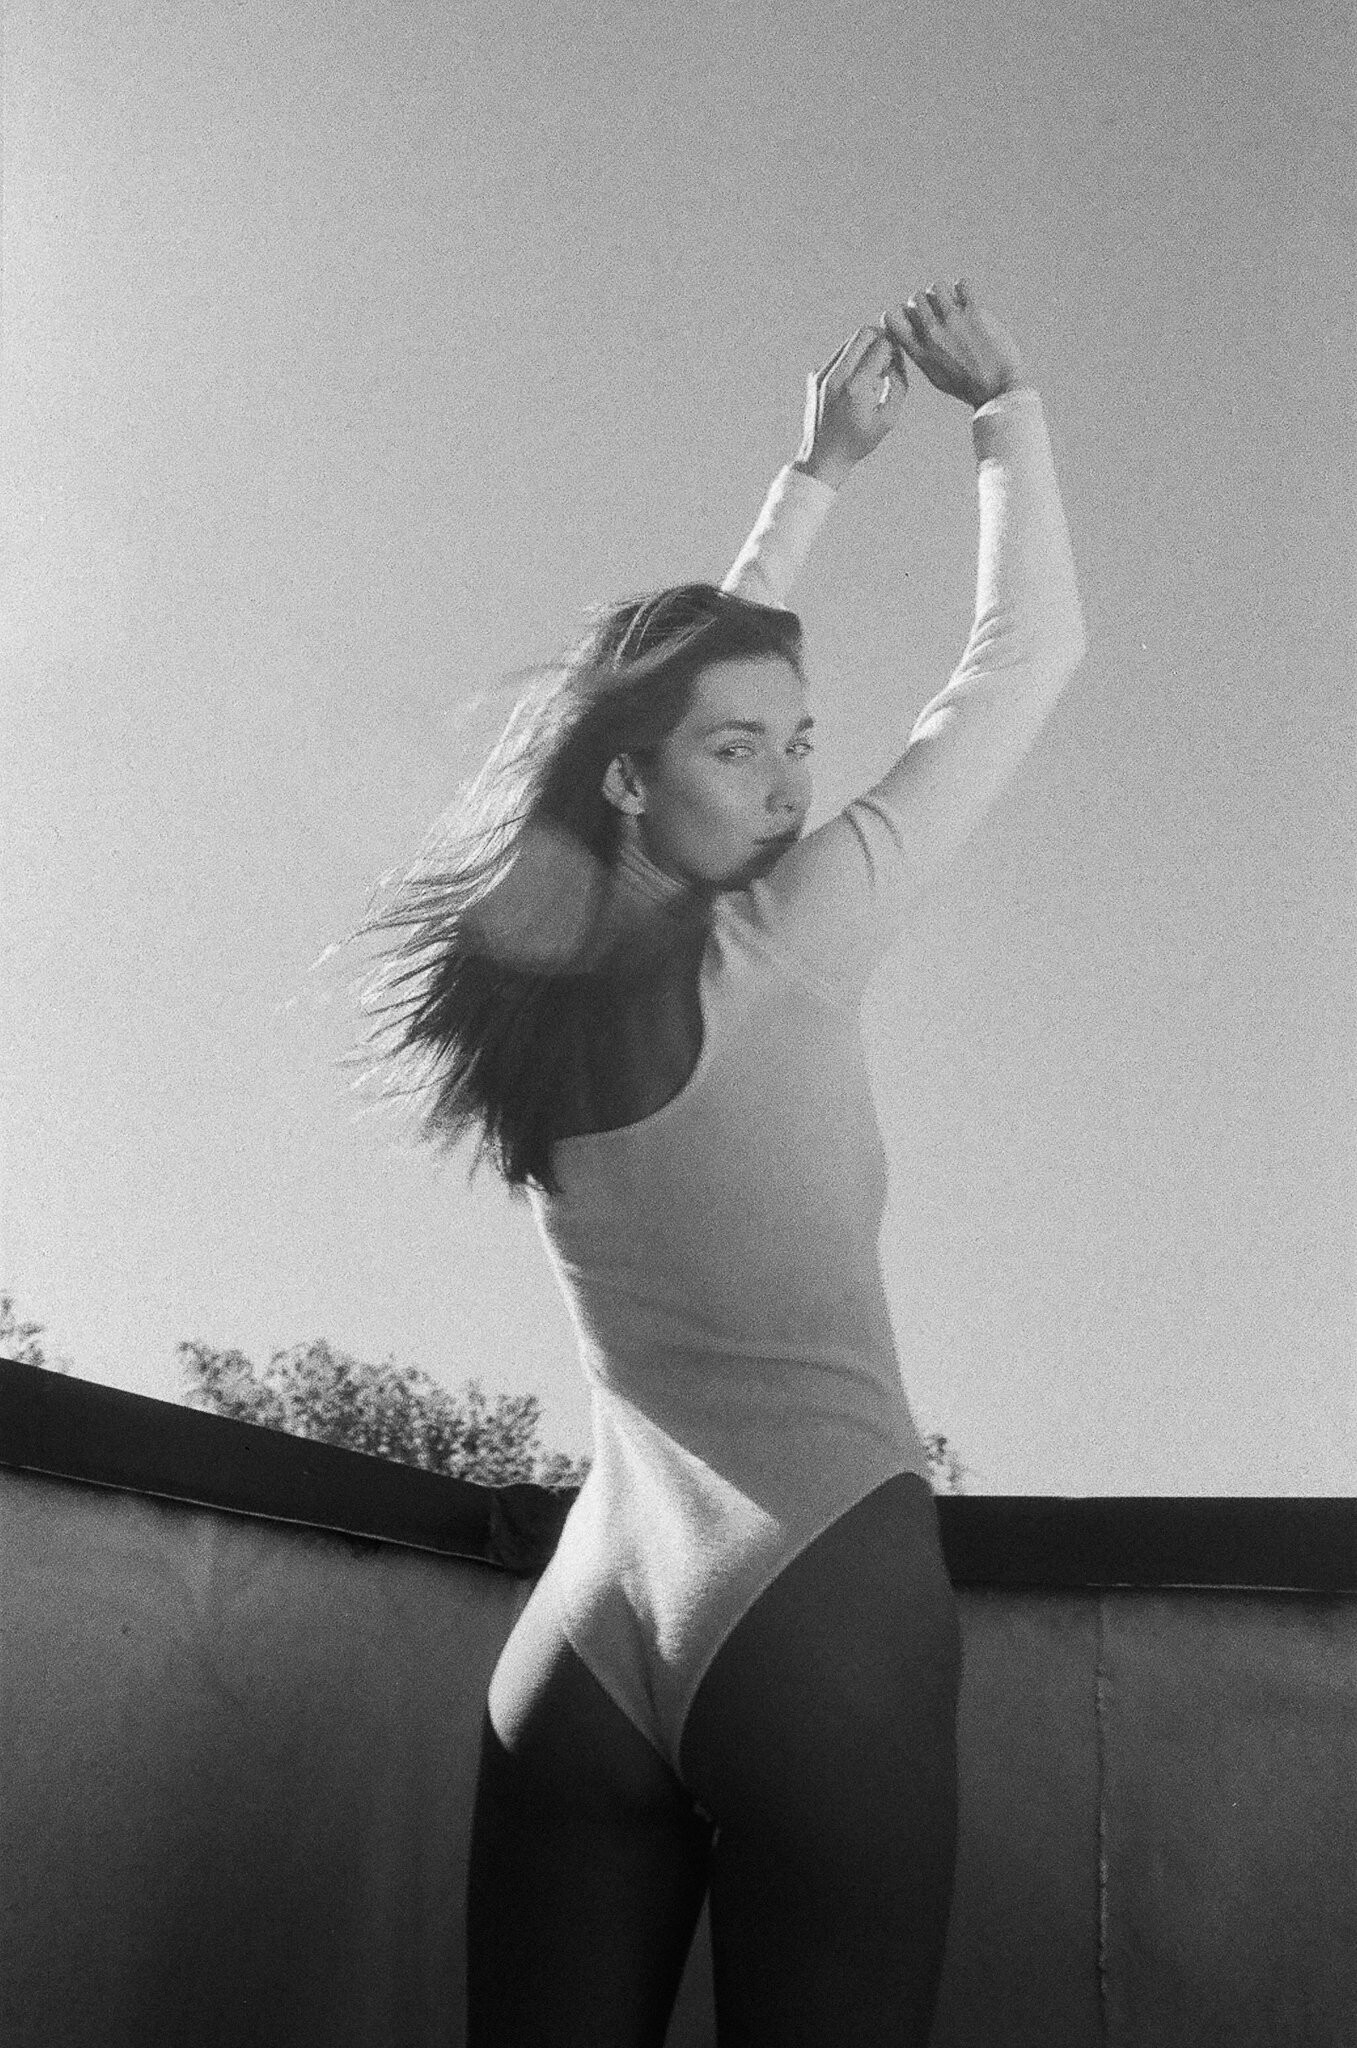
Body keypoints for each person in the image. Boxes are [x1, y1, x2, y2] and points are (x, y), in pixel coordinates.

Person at [359, 279, 1085, 2046]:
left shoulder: (512, 1000)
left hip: (586, 1635)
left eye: (801, 746)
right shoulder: (788, 938)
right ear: (629, 782)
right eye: (740, 753)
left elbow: (667, 696)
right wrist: (1005, 414)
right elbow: (1023, 659)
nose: (785, 787)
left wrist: (812, 478)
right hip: (817, 1595)